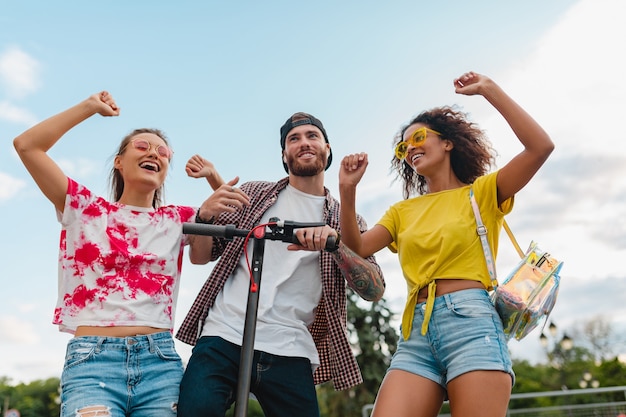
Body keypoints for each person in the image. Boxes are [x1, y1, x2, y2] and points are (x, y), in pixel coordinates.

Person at [12, 91, 242, 417]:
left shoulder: (178, 219)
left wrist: (212, 179)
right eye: (142, 146)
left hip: (159, 364)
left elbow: (223, 236)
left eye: (163, 153)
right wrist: (90, 107)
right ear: (119, 162)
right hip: (93, 362)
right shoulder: (85, 209)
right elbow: (26, 145)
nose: (154, 154)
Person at [338, 71, 555, 417]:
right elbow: (357, 248)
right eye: (403, 146)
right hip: (415, 335)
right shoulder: (401, 211)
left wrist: (489, 90)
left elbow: (540, 147)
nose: (410, 148)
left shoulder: (481, 193)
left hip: (471, 324)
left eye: (419, 137)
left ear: (448, 143)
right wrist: (347, 191)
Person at [176, 112, 386, 417]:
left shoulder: (345, 220)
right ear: (284, 155)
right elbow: (200, 256)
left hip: (291, 346)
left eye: (312, 136)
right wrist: (205, 216)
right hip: (225, 334)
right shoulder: (255, 194)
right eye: (294, 138)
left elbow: (374, 290)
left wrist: (335, 244)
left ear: (327, 148)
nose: (304, 142)